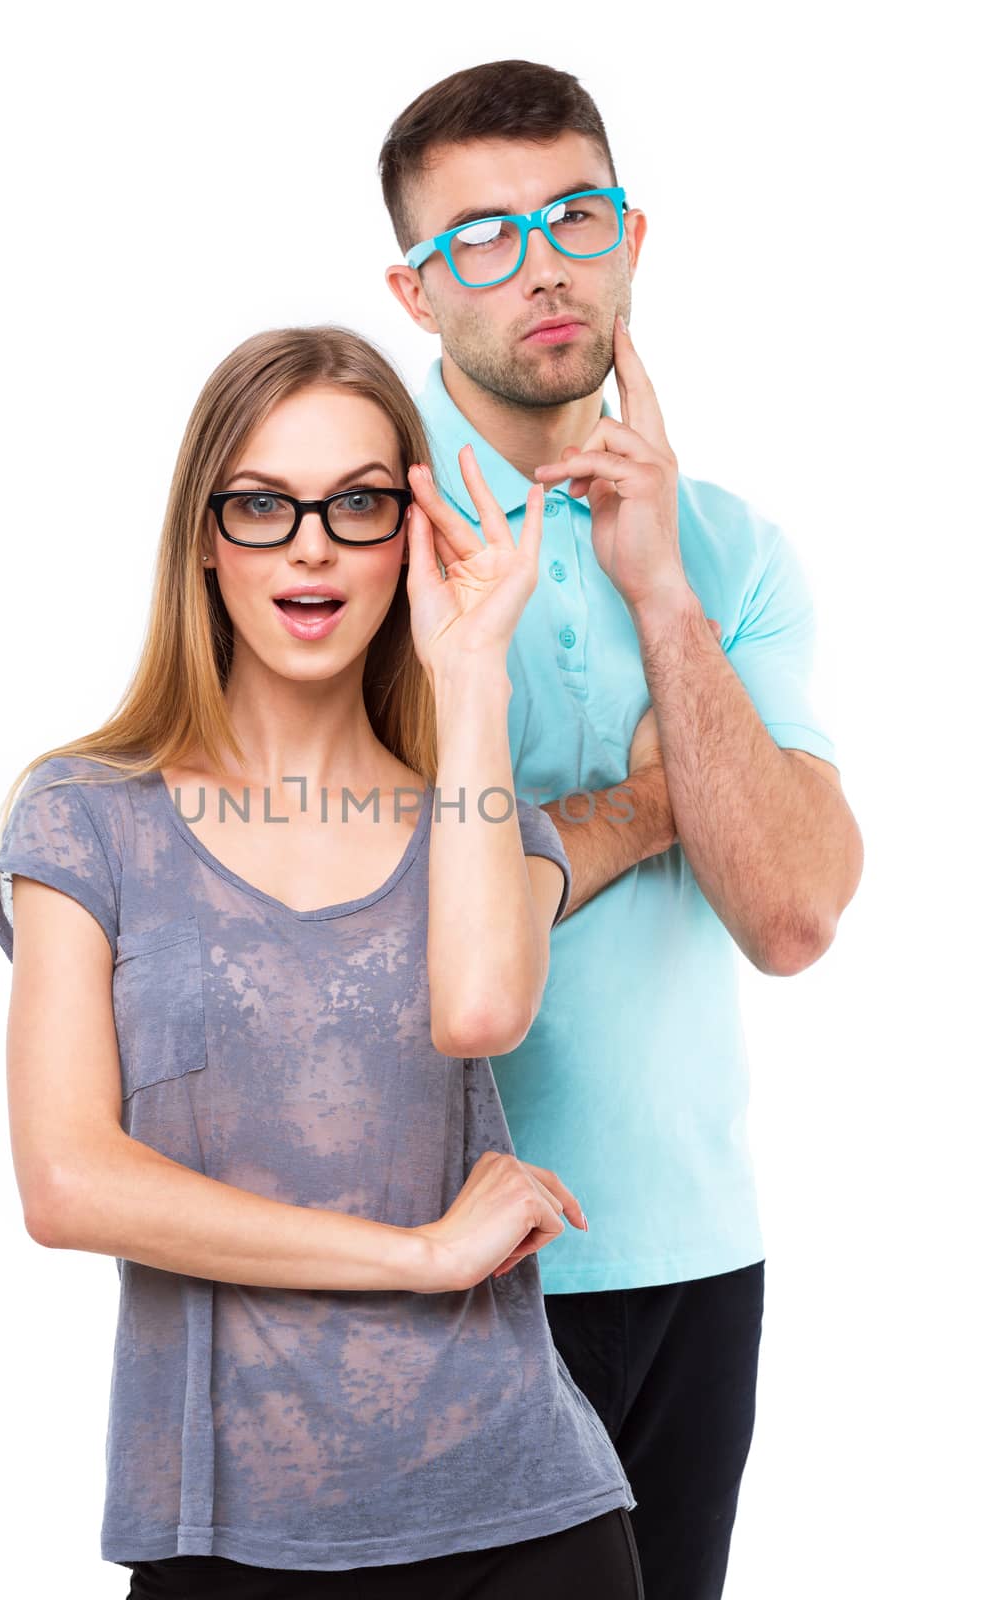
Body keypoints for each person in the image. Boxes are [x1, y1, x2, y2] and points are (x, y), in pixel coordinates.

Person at [0, 325, 646, 1598]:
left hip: (523, 1520)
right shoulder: (85, 816)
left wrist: (471, 673)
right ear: (203, 539)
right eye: (263, 504)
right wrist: (420, 1255)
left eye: (357, 503)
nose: (310, 546)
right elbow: (67, 1181)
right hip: (227, 1535)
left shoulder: (488, 817)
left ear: (415, 531)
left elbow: (481, 1009)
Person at [379, 60, 864, 1600]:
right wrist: (662, 801)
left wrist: (658, 592)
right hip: (437, 1265)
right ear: (411, 289)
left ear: (631, 243)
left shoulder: (727, 549)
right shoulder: (355, 539)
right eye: (480, 236)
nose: (538, 264)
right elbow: (368, 921)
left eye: (572, 216)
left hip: (691, 1259)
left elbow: (789, 913)